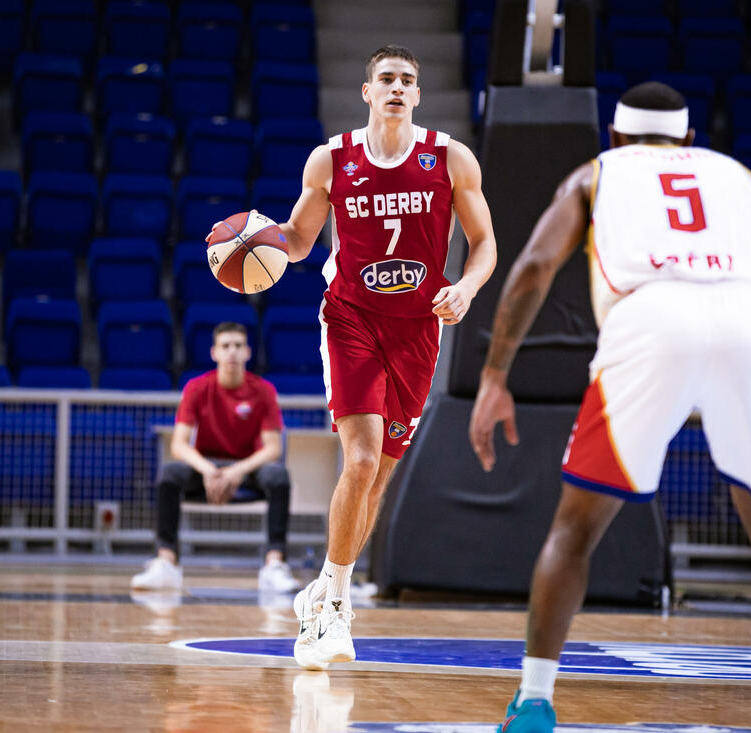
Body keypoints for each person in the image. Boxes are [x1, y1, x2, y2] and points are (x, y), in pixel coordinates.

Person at [469, 82, 751, 733]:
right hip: (749, 322)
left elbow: (532, 268)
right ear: (689, 139)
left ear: (614, 137)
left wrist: (495, 374)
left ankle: (533, 702)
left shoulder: (595, 174)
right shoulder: (738, 176)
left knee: (574, 530)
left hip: (650, 318)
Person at [208, 44, 498, 669]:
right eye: (386, 79)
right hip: (351, 318)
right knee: (360, 461)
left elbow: (484, 242)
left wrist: (468, 287)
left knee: (378, 478)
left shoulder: (450, 157)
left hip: (418, 329)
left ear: (417, 94)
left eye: (407, 80)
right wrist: (250, 242)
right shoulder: (332, 159)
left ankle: (325, 585)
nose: (397, 88)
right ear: (367, 91)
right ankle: (335, 609)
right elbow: (298, 239)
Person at [131, 322, 298, 594]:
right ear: (214, 352)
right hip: (207, 466)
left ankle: (274, 564)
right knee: (169, 475)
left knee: (279, 476)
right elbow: (179, 445)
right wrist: (209, 470)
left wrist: (237, 471)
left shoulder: (263, 390)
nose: (232, 351)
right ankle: (166, 562)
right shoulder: (197, 388)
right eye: (225, 346)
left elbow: (272, 449)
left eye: (238, 345)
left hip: (247, 469)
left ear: (248, 352)